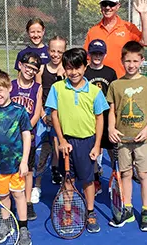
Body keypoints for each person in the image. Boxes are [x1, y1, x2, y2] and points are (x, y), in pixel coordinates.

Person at [45, 48, 109, 233]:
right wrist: (62, 140)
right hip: (66, 143)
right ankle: (67, 211)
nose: (73, 72)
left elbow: (100, 119)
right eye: (69, 68)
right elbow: (54, 115)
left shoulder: (95, 92)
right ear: (64, 69)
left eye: (77, 67)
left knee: (88, 181)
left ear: (85, 66)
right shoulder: (58, 88)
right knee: (68, 180)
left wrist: (97, 145)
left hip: (87, 142)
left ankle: (90, 212)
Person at [107, 41, 147, 232]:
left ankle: (146, 210)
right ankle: (127, 208)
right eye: (127, 60)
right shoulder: (115, 85)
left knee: (144, 174)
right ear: (122, 60)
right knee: (126, 174)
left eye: (135, 61)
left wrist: (146, 129)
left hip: (143, 141)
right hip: (122, 141)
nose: (131, 64)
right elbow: (112, 110)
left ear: (141, 61)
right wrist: (111, 129)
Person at [0, 70, 33, 245]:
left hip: (17, 165)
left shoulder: (19, 111)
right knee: (3, 196)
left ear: (10, 88)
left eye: (0, 90)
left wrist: (25, 161)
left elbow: (26, 135)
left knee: (18, 195)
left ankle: (23, 228)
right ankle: (6, 225)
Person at [84, 0, 147, 78]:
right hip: (99, 83)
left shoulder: (128, 27)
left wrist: (143, 14)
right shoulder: (93, 31)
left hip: (122, 81)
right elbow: (86, 58)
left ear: (118, 6)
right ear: (101, 7)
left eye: (111, 4)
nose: (108, 7)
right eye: (104, 4)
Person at [31, 36, 67, 204]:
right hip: (44, 116)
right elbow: (38, 97)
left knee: (60, 153)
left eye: (60, 51)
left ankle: (64, 189)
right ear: (48, 50)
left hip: (61, 117)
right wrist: (43, 116)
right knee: (43, 153)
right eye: (53, 50)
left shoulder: (67, 72)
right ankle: (36, 186)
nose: (55, 54)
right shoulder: (41, 70)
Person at [10, 52, 43, 221]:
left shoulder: (37, 88)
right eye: (28, 67)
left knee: (28, 171)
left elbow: (36, 113)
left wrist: (26, 130)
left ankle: (28, 202)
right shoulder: (11, 85)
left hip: (28, 137)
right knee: (10, 170)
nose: (30, 71)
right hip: (10, 138)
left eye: (34, 69)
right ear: (21, 65)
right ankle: (8, 201)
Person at [84, 39, 117, 196]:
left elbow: (114, 99)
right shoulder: (84, 72)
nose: (97, 56)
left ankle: (115, 178)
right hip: (90, 120)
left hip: (107, 119)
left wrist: (113, 121)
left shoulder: (110, 73)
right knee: (94, 151)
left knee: (113, 151)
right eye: (94, 53)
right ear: (89, 54)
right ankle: (96, 179)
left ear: (105, 54)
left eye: (100, 53)